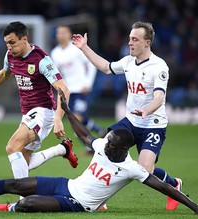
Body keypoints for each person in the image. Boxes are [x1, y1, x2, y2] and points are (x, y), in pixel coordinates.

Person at [0, 89, 198, 215]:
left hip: (77, 203)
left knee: (27, 203)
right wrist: (67, 111)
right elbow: (85, 135)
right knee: (15, 184)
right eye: (105, 140)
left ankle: (10, 208)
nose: (103, 143)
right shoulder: (104, 147)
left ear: (122, 149)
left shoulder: (132, 168)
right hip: (66, 184)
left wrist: (195, 208)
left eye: (109, 143)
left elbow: (163, 188)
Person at [71, 21, 182, 211]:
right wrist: (84, 48)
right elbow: (106, 67)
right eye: (130, 38)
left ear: (147, 43)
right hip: (131, 121)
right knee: (103, 150)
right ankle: (98, 200)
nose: (130, 43)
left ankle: (174, 183)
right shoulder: (128, 61)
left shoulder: (159, 66)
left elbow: (159, 96)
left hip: (152, 124)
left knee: (145, 170)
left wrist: (147, 109)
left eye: (135, 39)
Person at [0, 21, 77, 183]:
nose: (9, 47)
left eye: (12, 43)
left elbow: (63, 89)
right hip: (27, 113)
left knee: (12, 147)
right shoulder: (10, 55)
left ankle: (23, 199)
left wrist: (58, 118)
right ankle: (62, 149)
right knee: (22, 162)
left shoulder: (41, 60)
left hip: (43, 111)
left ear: (24, 39)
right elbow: (4, 73)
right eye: (7, 43)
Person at [50, 25, 106, 140]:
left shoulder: (76, 48)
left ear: (70, 34)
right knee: (78, 118)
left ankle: (90, 144)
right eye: (59, 33)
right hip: (68, 90)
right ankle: (99, 131)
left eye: (64, 32)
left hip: (81, 88)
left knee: (77, 117)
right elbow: (57, 73)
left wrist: (88, 83)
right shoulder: (55, 53)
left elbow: (91, 64)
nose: (61, 35)